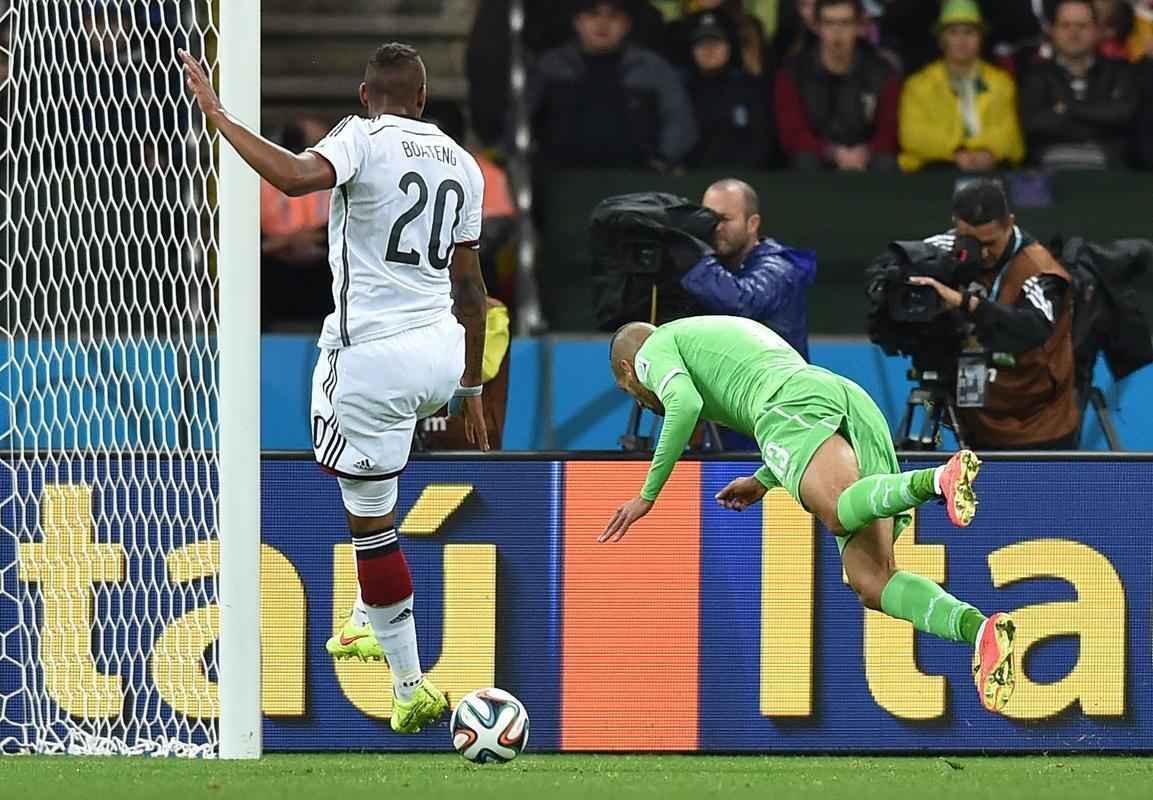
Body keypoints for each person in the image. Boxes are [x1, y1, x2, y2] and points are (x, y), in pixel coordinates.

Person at [179, 42, 490, 734]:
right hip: (440, 352)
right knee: (374, 477)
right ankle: (357, 616)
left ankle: (408, 684)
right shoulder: (464, 166)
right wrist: (468, 388)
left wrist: (218, 114)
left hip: (372, 360)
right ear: (422, 97)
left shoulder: (363, 137)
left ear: (363, 95)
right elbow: (472, 290)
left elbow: (291, 180)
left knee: (368, 520)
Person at [600, 315, 1017, 714]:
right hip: (836, 399)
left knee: (838, 511)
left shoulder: (651, 350)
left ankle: (934, 480)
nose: (639, 394)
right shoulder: (704, 337)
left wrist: (647, 495)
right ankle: (979, 631)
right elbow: (796, 402)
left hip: (788, 406)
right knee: (870, 580)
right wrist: (764, 480)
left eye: (629, 388)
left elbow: (685, 404)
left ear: (627, 368)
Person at [909, 179, 1080, 450]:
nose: (983, 253)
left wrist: (966, 303)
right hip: (978, 419)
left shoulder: (1040, 269)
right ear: (956, 224)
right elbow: (897, 268)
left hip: (1039, 426)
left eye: (990, 242)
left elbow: (1033, 327)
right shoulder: (945, 248)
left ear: (1010, 221)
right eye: (972, 242)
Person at [525, 0, 698, 169]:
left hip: (636, 180)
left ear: (626, 24)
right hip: (559, 180)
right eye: (593, 15)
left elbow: (678, 119)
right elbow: (520, 123)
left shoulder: (653, 68)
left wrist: (662, 159)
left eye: (613, 16)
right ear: (578, 22)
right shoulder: (550, 67)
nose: (602, 24)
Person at [680, 178, 815, 360]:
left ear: (752, 223)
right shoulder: (713, 269)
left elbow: (741, 304)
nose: (716, 227)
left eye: (725, 219)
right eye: (708, 219)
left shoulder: (779, 268)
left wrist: (692, 256)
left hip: (776, 386)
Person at [898, 0, 1025, 172]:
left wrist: (981, 153)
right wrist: (957, 151)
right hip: (935, 171)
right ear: (942, 39)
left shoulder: (1002, 84)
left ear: (980, 37)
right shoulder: (918, 85)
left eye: (969, 32)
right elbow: (913, 137)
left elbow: (1012, 139)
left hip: (991, 167)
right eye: (953, 32)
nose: (962, 40)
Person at [774, 0, 901, 171]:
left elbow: (889, 130)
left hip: (866, 159)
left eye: (845, 23)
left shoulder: (882, 72)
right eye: (829, 23)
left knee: (885, 162)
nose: (837, 31)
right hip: (817, 158)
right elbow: (792, 134)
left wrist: (866, 152)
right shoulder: (793, 72)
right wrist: (832, 152)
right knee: (805, 160)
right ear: (817, 27)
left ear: (859, 26)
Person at [1018, 0, 1138, 171]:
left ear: (1097, 31)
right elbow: (1033, 125)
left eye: (1082, 26)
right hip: (1047, 177)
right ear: (1052, 30)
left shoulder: (1120, 71)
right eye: (1065, 25)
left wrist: (1067, 108)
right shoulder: (1034, 75)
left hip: (1110, 176)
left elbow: (1124, 116)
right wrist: (1097, 118)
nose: (1073, 32)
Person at [683, 13, 775, 167]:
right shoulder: (680, 88)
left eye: (716, 43)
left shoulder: (749, 88)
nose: (709, 50)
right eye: (701, 44)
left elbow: (761, 139)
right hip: (690, 175)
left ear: (729, 47)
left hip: (742, 176)